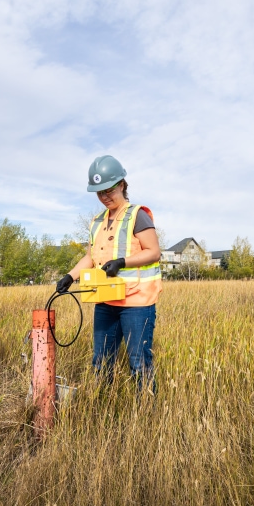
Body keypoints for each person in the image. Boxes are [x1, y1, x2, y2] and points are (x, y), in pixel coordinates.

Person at [56, 156, 163, 392]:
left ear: (122, 185)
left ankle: (146, 413)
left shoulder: (137, 215)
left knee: (139, 362)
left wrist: (122, 262)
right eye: (99, 193)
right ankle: (102, 405)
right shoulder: (97, 221)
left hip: (136, 301)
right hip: (105, 299)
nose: (104, 197)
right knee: (101, 361)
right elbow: (90, 257)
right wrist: (70, 276)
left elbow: (153, 252)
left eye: (108, 190)